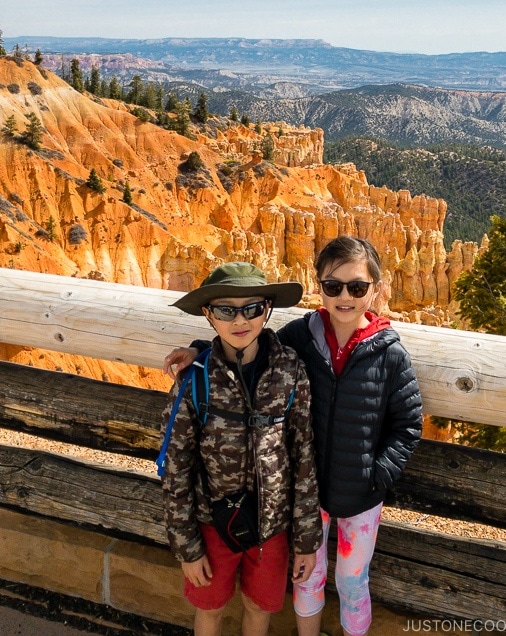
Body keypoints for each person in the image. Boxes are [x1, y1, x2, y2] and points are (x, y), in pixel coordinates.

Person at [164, 238, 423, 636]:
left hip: (350, 497)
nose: (345, 297)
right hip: (274, 507)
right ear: (320, 286)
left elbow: (407, 422)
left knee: (351, 583)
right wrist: (201, 350)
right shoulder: (301, 338)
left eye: (357, 287)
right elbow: (245, 343)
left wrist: (378, 474)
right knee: (301, 582)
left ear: (376, 288)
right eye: (333, 286)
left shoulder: (386, 354)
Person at [161, 261, 322, 636]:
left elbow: (303, 457)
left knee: (258, 607)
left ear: (266, 310)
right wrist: (187, 547)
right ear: (208, 315)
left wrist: (306, 539)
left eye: (251, 308)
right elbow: (175, 467)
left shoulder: (290, 370)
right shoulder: (195, 380)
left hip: (273, 527)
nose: (240, 320)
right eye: (225, 310)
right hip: (210, 526)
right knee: (210, 608)